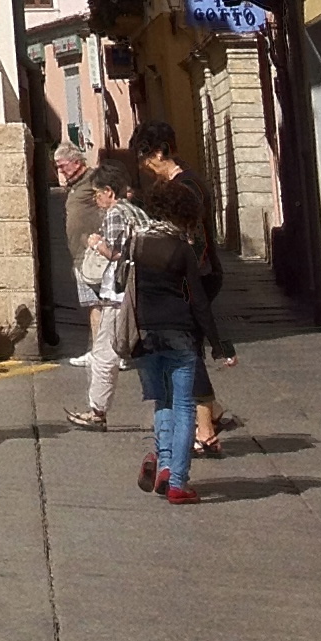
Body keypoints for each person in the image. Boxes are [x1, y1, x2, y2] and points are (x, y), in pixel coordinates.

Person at [121, 156, 226, 504]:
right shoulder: (181, 248)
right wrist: (219, 344)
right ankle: (178, 482)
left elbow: (123, 283)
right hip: (179, 332)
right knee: (184, 407)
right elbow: (198, 302)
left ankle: (164, 463)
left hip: (146, 333)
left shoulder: (136, 243)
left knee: (162, 402)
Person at [132, 120, 232, 453]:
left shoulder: (186, 188)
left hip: (195, 276)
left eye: (147, 158)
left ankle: (205, 430)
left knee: (189, 349)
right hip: (195, 274)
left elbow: (196, 240)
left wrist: (183, 279)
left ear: (160, 152)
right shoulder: (184, 179)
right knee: (189, 345)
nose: (145, 167)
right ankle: (212, 413)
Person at [64, 154, 135, 431]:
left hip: (117, 294)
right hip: (135, 292)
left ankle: (97, 412)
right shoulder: (136, 211)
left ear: (109, 192)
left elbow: (118, 254)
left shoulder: (115, 213)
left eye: (98, 195)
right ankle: (209, 409)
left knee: (104, 354)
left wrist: (97, 244)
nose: (96, 200)